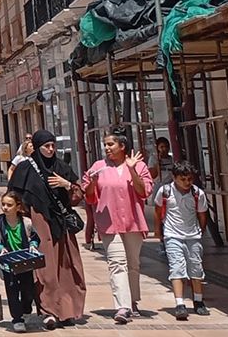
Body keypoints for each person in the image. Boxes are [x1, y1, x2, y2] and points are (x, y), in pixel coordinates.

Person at [7, 129, 87, 328]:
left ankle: (67, 311)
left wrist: (66, 184)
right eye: (46, 146)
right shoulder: (26, 169)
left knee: (68, 267)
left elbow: (77, 196)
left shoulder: (61, 167)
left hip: (62, 225)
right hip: (39, 223)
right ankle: (49, 311)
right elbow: (14, 196)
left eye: (53, 146)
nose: (51, 150)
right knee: (45, 268)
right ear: (37, 147)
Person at [80, 131, 153, 324]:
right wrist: (92, 182)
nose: (107, 148)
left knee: (133, 264)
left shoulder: (138, 165)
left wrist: (132, 170)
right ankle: (122, 306)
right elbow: (89, 195)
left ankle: (132, 301)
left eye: (111, 144)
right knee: (116, 263)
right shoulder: (99, 167)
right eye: (105, 144)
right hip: (109, 223)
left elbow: (144, 191)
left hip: (133, 222)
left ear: (122, 146)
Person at [153, 160, 209, 320]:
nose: (186, 183)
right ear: (174, 177)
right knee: (177, 268)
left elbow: (202, 215)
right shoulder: (165, 192)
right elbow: (158, 211)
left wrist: (200, 231)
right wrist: (158, 231)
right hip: (172, 236)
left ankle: (198, 301)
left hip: (193, 236)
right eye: (182, 179)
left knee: (196, 268)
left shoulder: (197, 193)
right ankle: (179, 303)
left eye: (189, 179)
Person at [0, 190, 43, 334]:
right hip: (9, 264)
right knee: (12, 291)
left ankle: (26, 310)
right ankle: (17, 319)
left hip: (25, 263)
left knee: (28, 291)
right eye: (3, 204)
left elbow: (35, 238)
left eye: (9, 205)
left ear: (18, 207)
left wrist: (33, 246)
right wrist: (0, 248)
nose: (5, 208)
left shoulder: (26, 222)